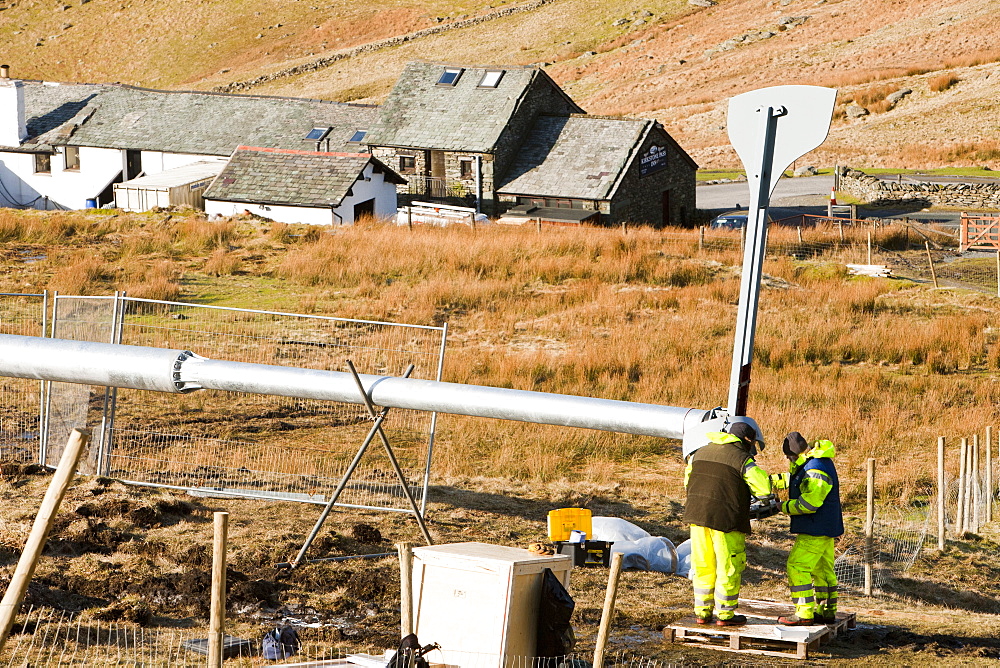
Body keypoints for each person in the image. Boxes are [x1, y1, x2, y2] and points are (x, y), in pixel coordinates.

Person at [684, 421, 774, 626]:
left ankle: (702, 613)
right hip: (726, 520)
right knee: (729, 565)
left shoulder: (699, 452)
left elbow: (688, 482)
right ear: (747, 441)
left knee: (703, 564)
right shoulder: (742, 458)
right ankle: (725, 615)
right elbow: (763, 489)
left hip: (697, 516)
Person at [776, 431, 844, 626]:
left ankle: (804, 613)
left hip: (815, 528)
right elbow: (795, 478)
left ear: (794, 454)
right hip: (826, 527)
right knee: (823, 569)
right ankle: (827, 611)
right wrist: (771, 481)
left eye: (788, 456)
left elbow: (809, 504)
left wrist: (784, 507)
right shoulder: (815, 462)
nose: (788, 459)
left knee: (797, 566)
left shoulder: (815, 469)